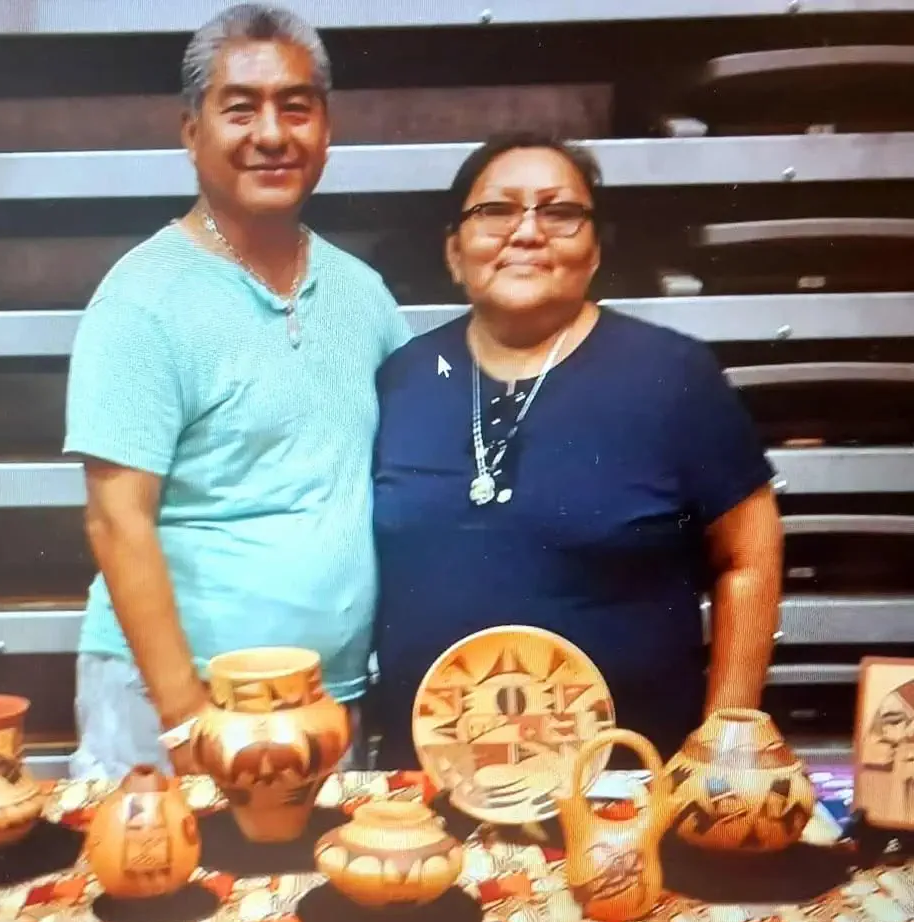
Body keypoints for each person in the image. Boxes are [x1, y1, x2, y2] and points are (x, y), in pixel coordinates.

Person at [63, 4, 411, 780]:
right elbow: (117, 521)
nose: (272, 134)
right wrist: (188, 721)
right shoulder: (142, 301)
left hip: (325, 700)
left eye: (296, 106)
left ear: (327, 128)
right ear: (191, 132)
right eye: (240, 108)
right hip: (177, 705)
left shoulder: (364, 296)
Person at [372, 132, 783, 768]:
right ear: (455, 252)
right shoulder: (403, 377)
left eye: (559, 212)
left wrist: (726, 741)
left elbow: (749, 555)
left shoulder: (671, 374)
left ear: (594, 253)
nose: (528, 232)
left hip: (625, 792)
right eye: (496, 211)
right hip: (424, 791)